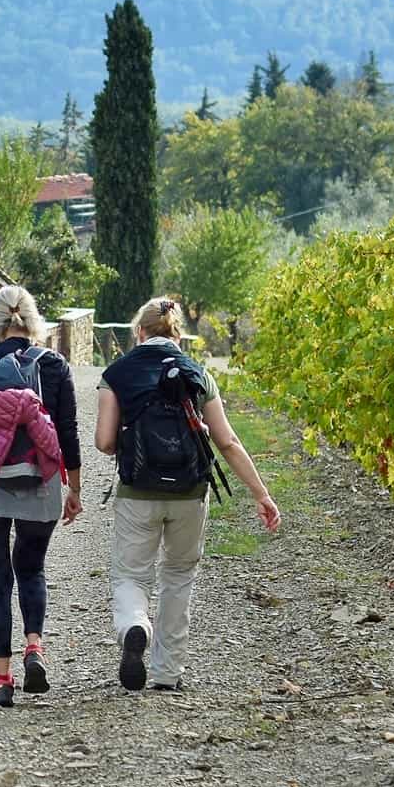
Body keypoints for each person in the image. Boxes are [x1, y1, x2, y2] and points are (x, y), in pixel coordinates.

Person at [95, 296, 281, 692]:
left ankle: (134, 625)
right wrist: (261, 494)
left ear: (139, 332)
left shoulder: (117, 373)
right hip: (191, 492)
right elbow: (227, 442)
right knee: (179, 575)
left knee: (131, 574)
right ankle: (167, 673)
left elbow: (104, 441)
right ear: (177, 335)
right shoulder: (197, 373)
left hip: (138, 491)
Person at [0, 285, 82, 708]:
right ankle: (35, 647)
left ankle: (2, 680)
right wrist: (73, 488)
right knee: (32, 569)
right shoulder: (54, 365)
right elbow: (68, 433)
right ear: (33, 318)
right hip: (39, 484)